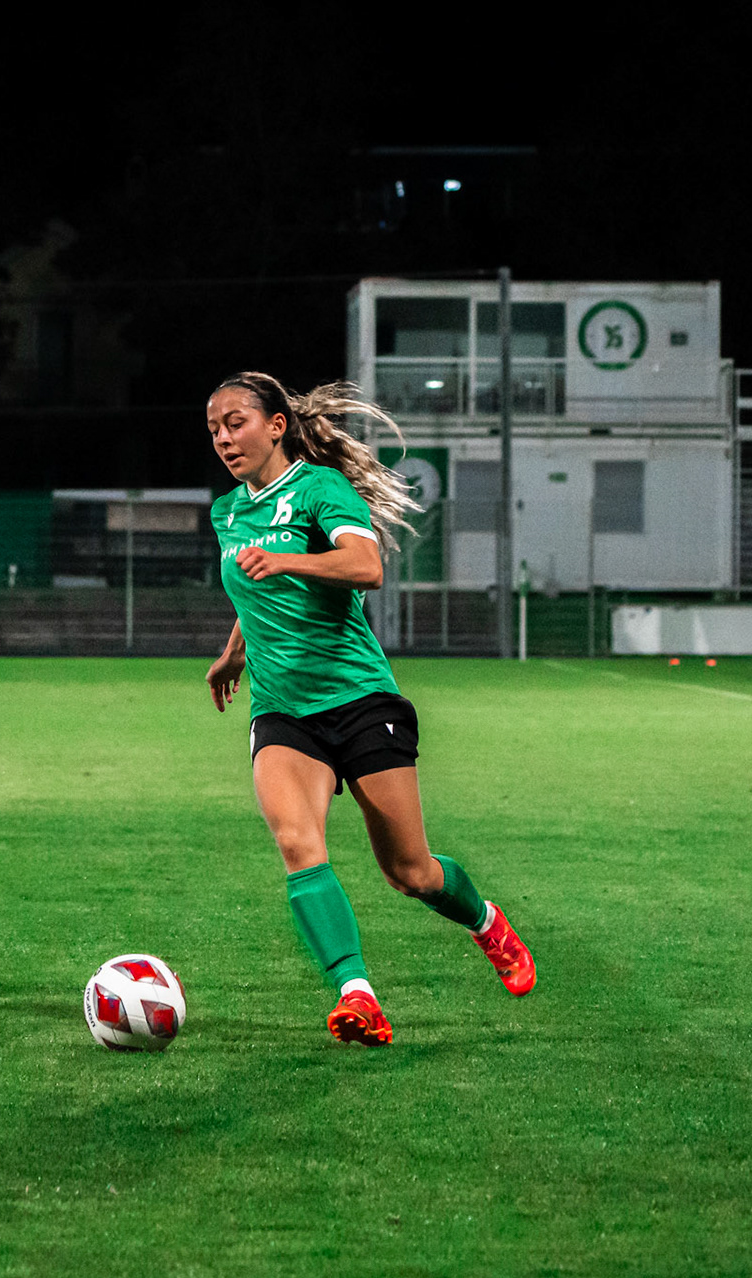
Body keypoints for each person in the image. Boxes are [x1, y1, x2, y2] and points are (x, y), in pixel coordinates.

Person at [203, 372, 535, 1048]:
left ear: (274, 426)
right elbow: (252, 586)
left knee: (410, 872)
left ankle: (486, 922)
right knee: (298, 842)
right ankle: (358, 995)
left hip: (360, 699)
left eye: (235, 422)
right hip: (283, 712)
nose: (224, 438)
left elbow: (366, 566)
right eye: (213, 429)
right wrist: (234, 651)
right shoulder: (227, 512)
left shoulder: (322, 490)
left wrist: (291, 562)